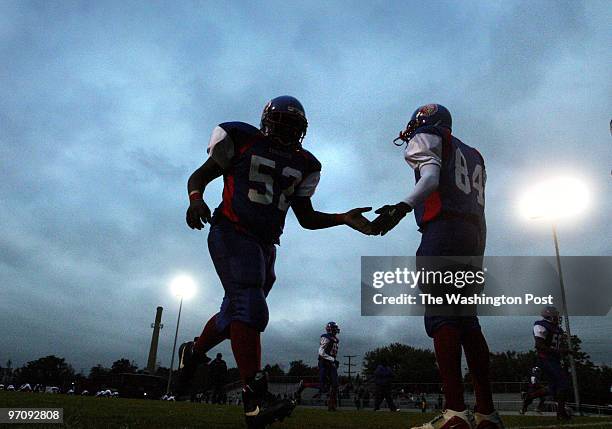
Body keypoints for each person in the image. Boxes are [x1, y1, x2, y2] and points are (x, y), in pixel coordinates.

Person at [179, 96, 373, 428]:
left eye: (293, 127)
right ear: (267, 123)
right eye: (282, 125)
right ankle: (254, 397)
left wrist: (342, 217)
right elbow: (199, 176)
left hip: (265, 244)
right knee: (249, 304)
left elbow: (307, 218)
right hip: (231, 230)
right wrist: (196, 199)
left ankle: (194, 352)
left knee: (235, 313)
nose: (286, 133)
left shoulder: (306, 163)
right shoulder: (241, 138)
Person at [372, 104, 503, 429]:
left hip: (443, 231)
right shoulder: (473, 154)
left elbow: (430, 178)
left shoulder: (428, 135)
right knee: (468, 322)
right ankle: (487, 413)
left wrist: (403, 206)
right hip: (472, 235)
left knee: (443, 316)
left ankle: (455, 412)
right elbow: (480, 210)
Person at [532, 306, 571, 420]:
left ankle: (530, 396)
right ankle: (561, 413)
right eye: (555, 314)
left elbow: (556, 344)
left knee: (553, 387)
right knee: (563, 383)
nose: (558, 317)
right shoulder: (541, 325)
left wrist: (562, 353)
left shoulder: (557, 328)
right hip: (545, 359)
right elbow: (539, 345)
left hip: (554, 359)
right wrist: (559, 351)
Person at [318, 321, 341, 411]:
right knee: (323, 385)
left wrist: (334, 361)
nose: (336, 329)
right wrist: (332, 359)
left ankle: (332, 405)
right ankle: (304, 385)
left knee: (335, 384)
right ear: (330, 328)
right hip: (324, 362)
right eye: (335, 328)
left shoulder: (335, 339)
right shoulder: (325, 337)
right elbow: (321, 352)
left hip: (331, 363)